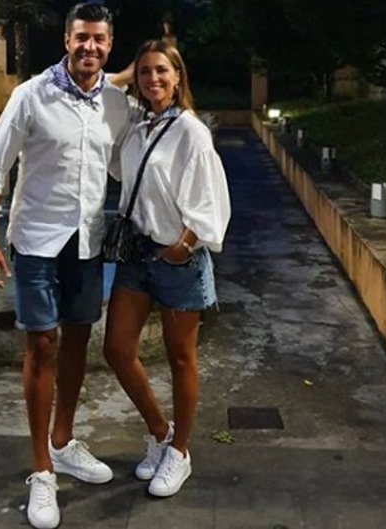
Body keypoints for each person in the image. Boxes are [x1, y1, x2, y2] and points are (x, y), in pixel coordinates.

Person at [0, 2, 135, 529]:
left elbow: (130, 163)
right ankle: (42, 470)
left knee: (78, 342)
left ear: (109, 45)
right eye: (81, 37)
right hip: (37, 242)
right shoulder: (31, 95)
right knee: (41, 345)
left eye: (99, 39)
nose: (90, 46)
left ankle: (63, 441)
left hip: (87, 243)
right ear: (66, 40)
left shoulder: (115, 103)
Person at [103, 38, 231, 499]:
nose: (152, 78)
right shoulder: (136, 128)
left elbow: (210, 198)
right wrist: (124, 74)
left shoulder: (191, 132)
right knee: (117, 349)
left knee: (181, 359)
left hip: (178, 259)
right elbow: (103, 97)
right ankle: (160, 432)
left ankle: (180, 452)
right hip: (136, 256)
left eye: (161, 70)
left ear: (178, 78)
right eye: (145, 71)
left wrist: (184, 245)